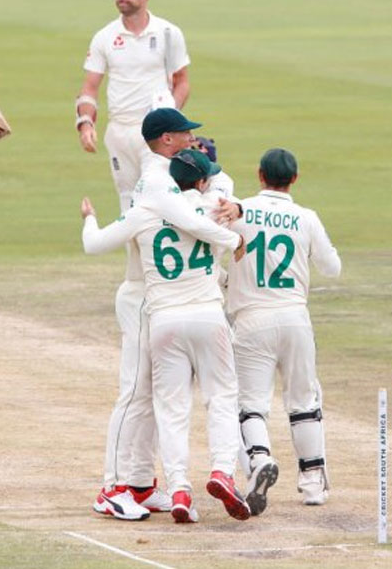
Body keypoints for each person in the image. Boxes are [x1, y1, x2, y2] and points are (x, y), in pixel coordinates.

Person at [89, 108, 243, 521]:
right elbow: (196, 217)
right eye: (184, 133)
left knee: (154, 397)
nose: (192, 139)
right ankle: (112, 488)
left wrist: (235, 205)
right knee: (135, 394)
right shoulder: (158, 181)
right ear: (166, 139)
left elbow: (214, 185)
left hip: (160, 299)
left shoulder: (168, 172)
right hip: (146, 297)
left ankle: (141, 484)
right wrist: (233, 229)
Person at [227, 148, 341, 512]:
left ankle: (260, 460)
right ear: (294, 179)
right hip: (294, 317)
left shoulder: (239, 211)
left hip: (251, 319)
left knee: (251, 405)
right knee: (304, 401)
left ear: (260, 175)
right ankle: (313, 483)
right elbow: (332, 268)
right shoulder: (306, 217)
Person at [76, 0, 190, 214]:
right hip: (120, 130)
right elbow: (89, 87)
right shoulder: (105, 36)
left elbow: (182, 82)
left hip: (156, 132)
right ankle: (133, 243)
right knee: (128, 200)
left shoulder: (168, 33)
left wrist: (169, 117)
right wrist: (85, 123)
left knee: (157, 196)